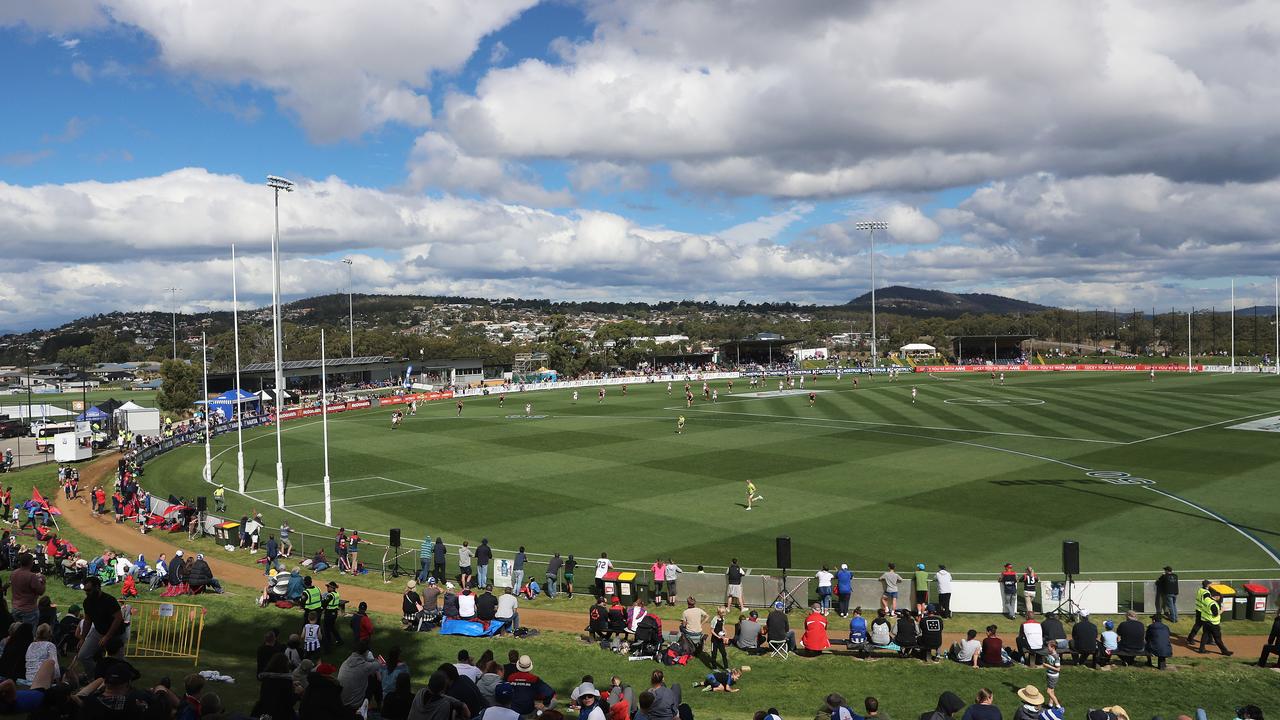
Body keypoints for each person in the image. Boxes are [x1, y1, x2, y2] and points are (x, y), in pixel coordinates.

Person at [74, 576, 127, 678]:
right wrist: (82, 638)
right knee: (83, 656)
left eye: (89, 590)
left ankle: (122, 682)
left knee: (118, 662)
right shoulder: (87, 602)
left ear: (97, 587)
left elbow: (118, 618)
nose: (87, 593)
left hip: (116, 634)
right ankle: (96, 679)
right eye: (85, 590)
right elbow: (88, 620)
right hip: (98, 632)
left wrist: (107, 636)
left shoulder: (109, 600)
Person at [337, 643, 381, 716]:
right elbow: (378, 664)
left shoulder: (345, 662)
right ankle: (379, 704)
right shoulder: (365, 667)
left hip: (342, 700)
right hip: (355, 704)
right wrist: (373, 659)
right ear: (366, 653)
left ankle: (378, 704)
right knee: (374, 678)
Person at [9, 553, 45, 627]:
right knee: (29, 634)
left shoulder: (13, 573)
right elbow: (41, 591)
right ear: (30, 563)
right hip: (29, 610)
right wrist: (43, 581)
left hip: (15, 607)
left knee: (16, 631)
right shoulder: (31, 576)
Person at [1197, 589, 1232, 655]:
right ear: (1216, 597)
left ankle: (1201, 649)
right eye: (1219, 597)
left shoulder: (1206, 599)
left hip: (1205, 621)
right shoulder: (1213, 604)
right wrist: (1222, 610)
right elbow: (1215, 614)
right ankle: (1224, 651)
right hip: (1213, 624)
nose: (1219, 599)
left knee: (1205, 635)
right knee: (1218, 638)